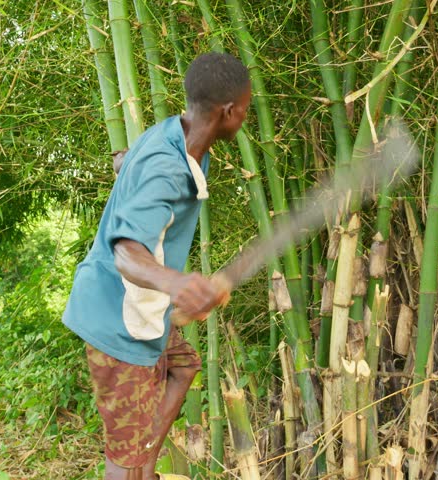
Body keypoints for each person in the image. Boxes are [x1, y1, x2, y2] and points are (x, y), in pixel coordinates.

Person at [63, 52, 252, 480]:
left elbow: (129, 161)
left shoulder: (174, 135)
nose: (245, 115)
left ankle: (144, 465)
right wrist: (180, 284)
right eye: (245, 107)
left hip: (141, 309)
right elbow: (127, 251)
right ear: (228, 112)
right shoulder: (167, 168)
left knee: (183, 366)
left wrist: (123, 166)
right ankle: (135, 467)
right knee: (122, 463)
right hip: (120, 321)